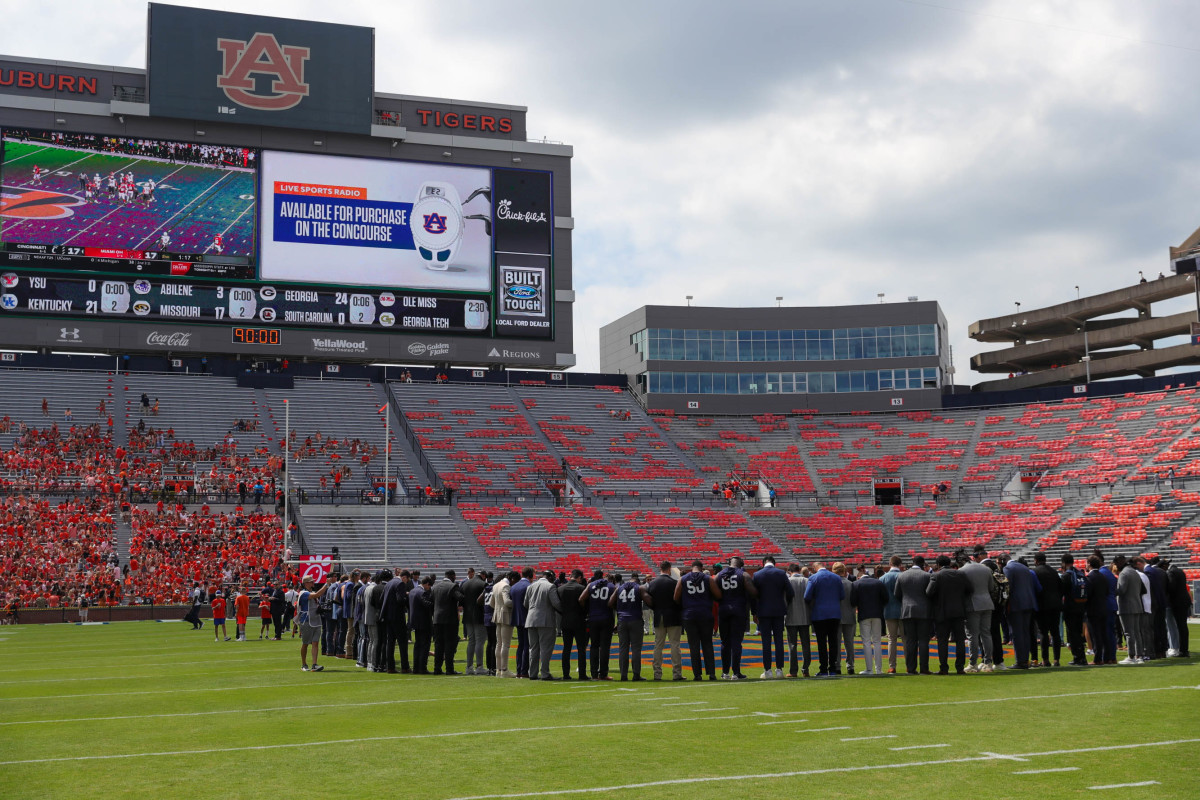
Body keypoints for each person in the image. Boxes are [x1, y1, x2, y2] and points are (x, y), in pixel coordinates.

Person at [674, 560, 721, 681]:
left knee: (693, 646)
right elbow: (718, 595)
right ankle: (711, 673)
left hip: (689, 615)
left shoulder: (683, 579)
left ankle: (697, 674)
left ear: (692, 567)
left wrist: (685, 605)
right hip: (705, 613)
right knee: (707, 644)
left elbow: (676, 597)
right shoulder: (708, 578)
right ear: (701, 568)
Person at [925, 555, 970, 675]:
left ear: (938, 565)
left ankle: (944, 668)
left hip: (942, 612)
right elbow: (970, 589)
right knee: (960, 640)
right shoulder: (960, 574)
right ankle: (960, 668)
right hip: (959, 611)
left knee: (942, 641)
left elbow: (929, 592)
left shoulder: (936, 575)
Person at [752, 555, 793, 680]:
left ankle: (767, 670)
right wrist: (785, 604)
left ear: (763, 562)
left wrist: (754, 612)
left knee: (766, 641)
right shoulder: (781, 573)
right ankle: (779, 669)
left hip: (763, 612)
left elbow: (753, 595)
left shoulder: (757, 575)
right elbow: (791, 592)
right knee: (779, 640)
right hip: (778, 611)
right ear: (774, 563)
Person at [715, 558, 756, 680]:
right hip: (738, 609)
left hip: (724, 609)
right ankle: (736, 672)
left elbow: (714, 592)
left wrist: (722, 601)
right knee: (736, 642)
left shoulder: (719, 574)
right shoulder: (743, 574)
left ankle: (725, 672)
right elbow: (753, 592)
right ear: (741, 565)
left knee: (724, 642)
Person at [893, 556, 933, 674]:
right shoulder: (927, 576)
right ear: (922, 564)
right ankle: (924, 668)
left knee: (910, 640)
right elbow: (930, 593)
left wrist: (906, 602)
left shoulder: (902, 575)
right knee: (924, 641)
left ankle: (911, 668)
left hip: (907, 611)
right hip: (924, 611)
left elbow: (897, 594)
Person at [804, 561, 844, 678]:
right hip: (834, 613)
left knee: (821, 643)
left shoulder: (813, 578)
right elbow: (842, 595)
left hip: (819, 614)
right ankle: (832, 668)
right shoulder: (836, 578)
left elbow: (807, 596)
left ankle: (823, 668)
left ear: (815, 568)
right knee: (833, 642)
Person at [609, 571, 651, 681]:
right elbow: (648, 600)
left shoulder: (619, 588)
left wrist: (619, 608)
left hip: (622, 620)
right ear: (637, 581)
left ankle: (623, 675)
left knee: (623, 648)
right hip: (635, 620)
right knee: (636, 649)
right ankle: (636, 674)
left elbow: (610, 603)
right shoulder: (640, 588)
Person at [647, 561, 683, 681]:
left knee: (658, 646)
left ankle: (657, 673)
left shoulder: (652, 583)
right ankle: (676, 673)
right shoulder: (674, 583)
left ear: (660, 569)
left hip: (659, 615)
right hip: (673, 615)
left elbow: (648, 600)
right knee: (675, 645)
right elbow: (679, 599)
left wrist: (655, 609)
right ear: (669, 570)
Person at [960, 547, 994, 673]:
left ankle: (973, 663)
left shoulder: (962, 570)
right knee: (986, 633)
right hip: (987, 603)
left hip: (972, 604)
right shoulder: (986, 569)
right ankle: (988, 663)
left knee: (972, 635)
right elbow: (991, 587)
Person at [1003, 556, 1041, 669]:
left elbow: (1007, 587)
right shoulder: (1025, 568)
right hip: (1028, 603)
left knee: (1017, 633)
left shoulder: (1008, 569)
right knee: (1025, 632)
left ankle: (1020, 661)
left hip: (1016, 605)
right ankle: (1025, 659)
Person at [850, 567, 887, 675]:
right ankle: (879, 669)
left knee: (866, 642)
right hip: (877, 614)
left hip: (864, 614)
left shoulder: (856, 584)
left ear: (859, 576)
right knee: (877, 642)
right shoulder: (878, 583)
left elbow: (853, 602)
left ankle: (869, 669)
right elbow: (886, 598)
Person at [581, 569, 617, 680]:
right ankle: (603, 674)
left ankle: (594, 673)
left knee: (594, 646)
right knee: (605, 647)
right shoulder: (612, 587)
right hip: (606, 618)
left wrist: (587, 611)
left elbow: (581, 599)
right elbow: (614, 602)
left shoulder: (591, 585)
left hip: (593, 618)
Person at [554, 569, 589, 680]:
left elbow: (557, 605)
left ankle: (565, 674)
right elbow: (585, 605)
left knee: (566, 648)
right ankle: (582, 674)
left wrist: (563, 613)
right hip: (579, 621)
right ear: (579, 578)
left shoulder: (560, 589)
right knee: (581, 648)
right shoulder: (581, 588)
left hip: (565, 621)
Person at [524, 570, 558, 680]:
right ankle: (545, 673)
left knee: (533, 648)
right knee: (545, 648)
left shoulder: (531, 586)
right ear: (550, 577)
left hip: (531, 620)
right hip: (545, 621)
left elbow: (525, 603)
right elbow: (556, 603)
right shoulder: (550, 586)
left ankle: (532, 673)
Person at [1031, 552, 1064, 666]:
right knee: (1055, 633)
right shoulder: (1054, 572)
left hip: (1042, 606)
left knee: (1043, 633)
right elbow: (1061, 588)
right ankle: (1057, 660)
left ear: (1036, 560)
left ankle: (1045, 660)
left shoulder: (1035, 572)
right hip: (1055, 605)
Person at [430, 570, 464, 675]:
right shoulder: (453, 586)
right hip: (450, 620)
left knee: (438, 644)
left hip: (437, 619)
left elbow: (431, 601)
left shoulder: (435, 587)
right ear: (453, 576)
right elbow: (460, 598)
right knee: (450, 644)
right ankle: (449, 669)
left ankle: (437, 668)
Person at [297, 574, 331, 672]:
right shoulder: (303, 593)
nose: (313, 583)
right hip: (307, 620)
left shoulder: (311, 592)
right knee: (305, 643)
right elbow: (316, 595)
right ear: (306, 583)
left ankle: (314, 664)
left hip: (316, 619)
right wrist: (326, 585)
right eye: (311, 581)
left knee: (315, 643)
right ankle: (303, 664)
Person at [1059, 553, 1089, 666]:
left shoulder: (1066, 576)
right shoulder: (1079, 573)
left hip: (1070, 607)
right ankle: (1081, 656)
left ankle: (1078, 657)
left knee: (1073, 634)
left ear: (1063, 563)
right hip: (1080, 606)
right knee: (1079, 633)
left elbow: (1061, 592)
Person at [1115, 556, 1146, 665]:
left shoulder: (1124, 573)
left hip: (1126, 606)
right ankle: (1139, 655)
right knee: (1136, 632)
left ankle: (1131, 655)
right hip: (1137, 605)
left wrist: (1111, 590)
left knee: (1129, 632)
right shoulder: (1134, 572)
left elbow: (1122, 590)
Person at [1085, 554, 1115, 665]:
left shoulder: (1090, 578)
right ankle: (1107, 657)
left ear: (1089, 564)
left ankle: (1097, 658)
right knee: (1104, 634)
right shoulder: (1103, 576)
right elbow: (1107, 592)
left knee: (1095, 635)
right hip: (1104, 607)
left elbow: (1088, 594)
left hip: (1093, 609)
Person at [784, 562, 811, 678]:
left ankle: (793, 671)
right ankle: (805, 669)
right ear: (799, 570)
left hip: (791, 617)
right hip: (805, 616)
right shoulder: (806, 580)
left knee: (792, 645)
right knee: (806, 644)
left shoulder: (788, 582)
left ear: (789, 571)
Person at [460, 568, 487, 675]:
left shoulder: (465, 584)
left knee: (471, 641)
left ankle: (469, 667)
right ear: (484, 576)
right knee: (480, 641)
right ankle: (479, 666)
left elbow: (461, 600)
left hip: (467, 616)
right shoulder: (482, 585)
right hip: (479, 616)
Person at [880, 555, 903, 674]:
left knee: (891, 639)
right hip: (903, 611)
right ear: (900, 564)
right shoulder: (903, 576)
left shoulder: (883, 578)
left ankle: (892, 666)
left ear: (890, 564)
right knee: (906, 639)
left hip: (889, 610)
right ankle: (910, 665)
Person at [491, 570, 516, 677]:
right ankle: (504, 670)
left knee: (499, 643)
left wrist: (498, 609)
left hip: (497, 615)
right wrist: (517, 603)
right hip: (506, 615)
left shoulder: (496, 585)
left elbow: (491, 603)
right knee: (505, 644)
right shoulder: (506, 586)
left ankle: (498, 670)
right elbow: (507, 602)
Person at [832, 562, 856, 675]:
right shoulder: (851, 584)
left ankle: (837, 666)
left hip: (836, 616)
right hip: (849, 615)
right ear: (845, 571)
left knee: (836, 643)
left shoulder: (832, 583)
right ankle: (850, 666)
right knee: (849, 643)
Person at [1164, 559, 1191, 657]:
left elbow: (1172, 587)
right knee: (1182, 626)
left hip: (1177, 602)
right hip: (1184, 601)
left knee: (1179, 626)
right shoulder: (1180, 571)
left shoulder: (1171, 572)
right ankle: (1184, 649)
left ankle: (1182, 649)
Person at [510, 567, 532, 678]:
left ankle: (519, 670)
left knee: (520, 646)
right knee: (527, 646)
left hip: (517, 618)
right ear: (530, 575)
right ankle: (524, 671)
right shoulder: (528, 586)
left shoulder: (513, 587)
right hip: (527, 618)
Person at [409, 576, 434, 674]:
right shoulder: (422, 592)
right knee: (425, 645)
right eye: (429, 587)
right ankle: (422, 668)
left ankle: (416, 667)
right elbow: (427, 604)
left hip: (415, 622)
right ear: (427, 584)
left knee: (417, 645)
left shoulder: (412, 591)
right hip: (424, 622)